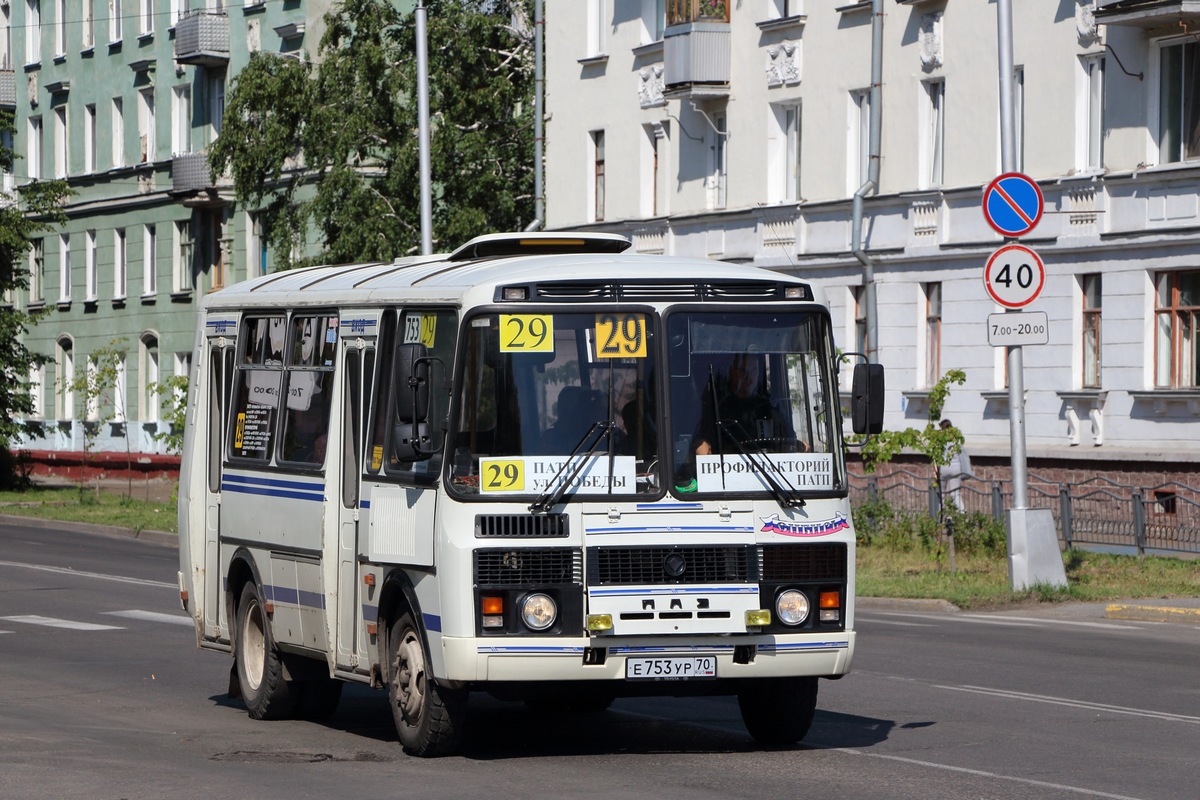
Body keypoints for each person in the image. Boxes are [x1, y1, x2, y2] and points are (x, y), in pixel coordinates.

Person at [692, 353, 793, 455]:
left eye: (753, 371)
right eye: (743, 371)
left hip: (769, 470)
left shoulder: (769, 409)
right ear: (732, 371)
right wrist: (702, 447)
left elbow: (790, 440)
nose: (748, 377)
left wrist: (800, 446)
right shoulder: (717, 412)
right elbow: (703, 446)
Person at [938, 418, 975, 510]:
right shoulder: (956, 440)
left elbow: (936, 457)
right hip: (956, 469)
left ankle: (939, 517)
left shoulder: (940, 441)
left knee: (941, 494)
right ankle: (962, 516)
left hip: (943, 468)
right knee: (955, 494)